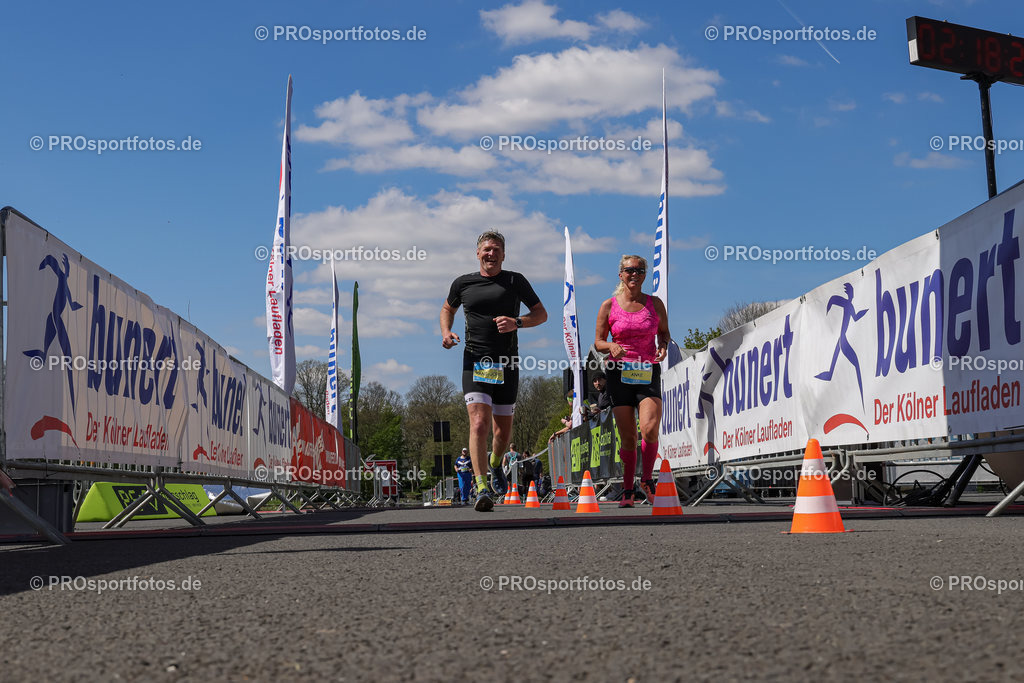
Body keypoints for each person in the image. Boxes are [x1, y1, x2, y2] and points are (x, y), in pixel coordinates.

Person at [440, 231, 548, 511]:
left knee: (502, 434)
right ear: (477, 253)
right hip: (476, 360)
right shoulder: (463, 283)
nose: (491, 253)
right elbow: (446, 308)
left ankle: (494, 461)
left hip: (507, 362)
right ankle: (481, 486)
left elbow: (541, 313)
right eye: (486, 249)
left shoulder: (515, 281)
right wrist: (446, 331)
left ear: (504, 255)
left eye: (496, 249)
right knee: (478, 423)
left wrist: (517, 323)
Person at [594, 255, 671, 508]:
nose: (634, 274)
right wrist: (611, 346)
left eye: (639, 270)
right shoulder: (609, 305)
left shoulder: (654, 303)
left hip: (647, 371)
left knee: (649, 429)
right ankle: (627, 490)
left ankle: (647, 480)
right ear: (621, 274)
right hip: (618, 374)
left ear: (645, 275)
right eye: (629, 270)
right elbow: (598, 341)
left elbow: (664, 333)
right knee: (628, 438)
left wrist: (663, 345)